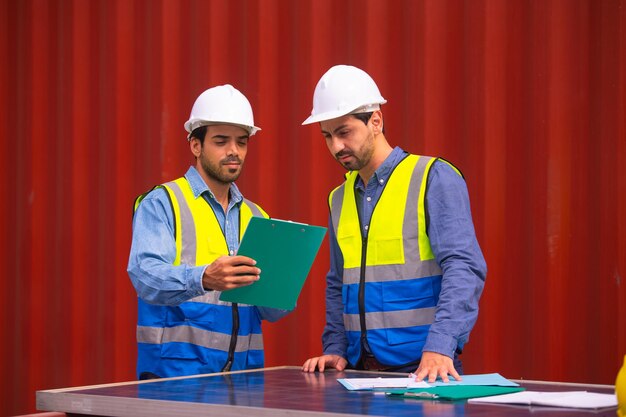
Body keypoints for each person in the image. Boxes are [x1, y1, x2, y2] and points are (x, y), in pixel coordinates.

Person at [300, 65, 486, 383]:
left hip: (425, 370)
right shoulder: (339, 198)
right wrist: (336, 347)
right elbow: (337, 282)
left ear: (376, 120)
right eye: (327, 136)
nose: (335, 146)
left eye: (344, 132)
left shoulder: (432, 178)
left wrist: (441, 346)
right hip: (358, 375)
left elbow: (463, 267)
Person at [128, 84, 290, 379]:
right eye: (221, 141)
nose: (234, 151)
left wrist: (283, 284)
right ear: (196, 145)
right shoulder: (163, 203)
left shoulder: (257, 216)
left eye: (241, 142)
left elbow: (272, 312)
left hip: (243, 381)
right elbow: (144, 276)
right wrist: (203, 278)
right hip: (175, 381)